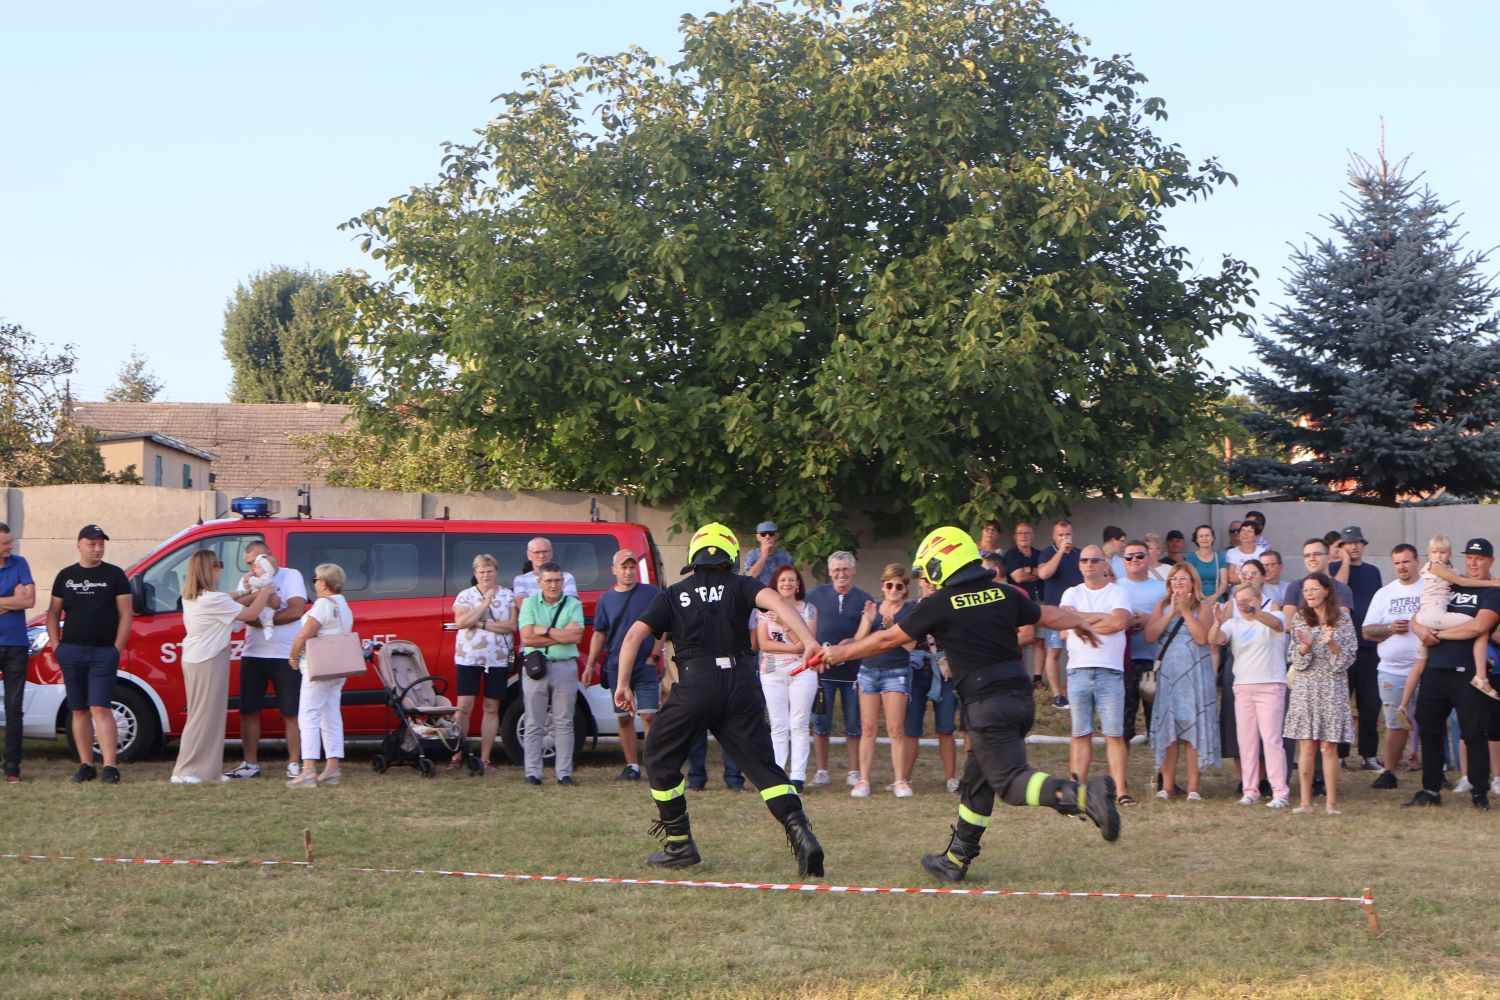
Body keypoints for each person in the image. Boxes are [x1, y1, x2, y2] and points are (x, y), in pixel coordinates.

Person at [816, 526, 1119, 885]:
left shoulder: (939, 604)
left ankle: (1085, 795)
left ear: (943, 565)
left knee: (1009, 783)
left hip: (986, 703)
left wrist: (838, 653)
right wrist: (1080, 621)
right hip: (1019, 700)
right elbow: (1048, 614)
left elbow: (887, 638)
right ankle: (956, 860)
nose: (927, 577)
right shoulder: (1003, 592)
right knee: (977, 781)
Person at [616, 523, 825, 875]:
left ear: (693, 557)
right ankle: (802, 834)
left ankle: (679, 843)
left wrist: (623, 682)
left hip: (696, 685)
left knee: (658, 756)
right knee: (764, 767)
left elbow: (634, 636)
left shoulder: (673, 593)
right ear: (729, 556)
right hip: (742, 685)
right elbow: (777, 602)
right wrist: (808, 641)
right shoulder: (743, 585)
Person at [1400, 538, 1499, 810]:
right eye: (1470, 557)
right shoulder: (1452, 581)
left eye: (1479, 558)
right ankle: (1430, 790)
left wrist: (1438, 635)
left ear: (1490, 561)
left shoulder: (1492, 591)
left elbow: (1478, 627)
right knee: (1429, 730)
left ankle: (1479, 793)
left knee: (1473, 733)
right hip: (1435, 670)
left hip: (1466, 672)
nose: (1473, 562)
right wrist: (1419, 629)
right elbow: (1421, 613)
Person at [171, 551, 275, 784]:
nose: (220, 569)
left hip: (201, 657)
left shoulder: (196, 595)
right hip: (207, 660)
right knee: (201, 716)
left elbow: (229, 599)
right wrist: (265, 592)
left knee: (212, 717)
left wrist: (245, 592)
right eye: (218, 565)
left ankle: (208, 770)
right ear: (209, 570)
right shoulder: (212, 599)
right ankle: (185, 771)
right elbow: (249, 613)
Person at [46, 524, 132, 784]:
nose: (97, 549)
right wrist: (55, 645)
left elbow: (126, 614)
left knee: (100, 707)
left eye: (101, 544)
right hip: (71, 651)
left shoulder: (115, 575)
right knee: (79, 708)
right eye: (92, 544)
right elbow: (53, 613)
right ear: (79, 545)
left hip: (103, 652)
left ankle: (109, 766)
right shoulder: (66, 576)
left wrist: (117, 648)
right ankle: (86, 764)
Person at [224, 540, 308, 779]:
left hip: (285, 654)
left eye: (257, 561)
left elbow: (296, 610)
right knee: (248, 710)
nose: (253, 567)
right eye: (249, 563)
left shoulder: (291, 575)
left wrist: (264, 620)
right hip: (253, 653)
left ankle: (294, 763)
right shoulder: (247, 580)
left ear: (270, 556)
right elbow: (238, 611)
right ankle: (250, 764)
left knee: (290, 711)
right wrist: (256, 611)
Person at [1060, 545, 1134, 804]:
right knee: (1080, 733)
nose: (1089, 564)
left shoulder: (1118, 592)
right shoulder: (1071, 592)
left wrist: (1080, 620)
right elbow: (1062, 625)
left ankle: (1121, 791)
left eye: (1094, 560)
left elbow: (1119, 623)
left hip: (1110, 671)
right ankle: (1075, 791)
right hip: (1078, 670)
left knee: (1114, 734)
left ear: (1106, 565)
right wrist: (1098, 618)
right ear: (1079, 565)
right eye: (1084, 560)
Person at [1208, 582, 1290, 808]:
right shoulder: (1233, 624)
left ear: (1258, 599)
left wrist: (1254, 611)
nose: (1243, 604)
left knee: (1271, 740)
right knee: (1247, 741)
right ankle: (1250, 789)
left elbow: (1277, 625)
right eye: (1239, 600)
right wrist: (1217, 622)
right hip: (1243, 687)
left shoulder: (1275, 615)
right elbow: (1215, 639)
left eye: (1248, 599)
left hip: (1270, 685)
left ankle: (1279, 791)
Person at [585, 549, 663, 781]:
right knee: (624, 717)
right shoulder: (606, 599)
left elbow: (664, 626)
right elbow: (599, 634)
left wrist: (654, 656)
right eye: (624, 567)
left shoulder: (651, 593)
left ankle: (653, 764)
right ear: (614, 570)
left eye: (631, 567)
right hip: (617, 666)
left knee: (649, 716)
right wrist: (590, 665)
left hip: (645, 665)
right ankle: (632, 765)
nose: (628, 572)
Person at [1143, 563, 1219, 801]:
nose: (1178, 583)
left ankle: (1194, 788)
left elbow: (1202, 638)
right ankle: (1167, 786)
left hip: (1194, 674)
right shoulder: (1161, 605)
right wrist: (1170, 613)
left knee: (1193, 729)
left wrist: (1186, 611)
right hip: (1168, 675)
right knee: (1169, 730)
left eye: (1183, 579)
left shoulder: (1203, 606)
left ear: (1193, 583)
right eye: (1174, 580)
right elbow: (1150, 636)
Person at [1282, 572, 1356, 815]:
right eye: (1306, 590)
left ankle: (1331, 803)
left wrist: (1331, 642)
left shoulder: (1343, 620)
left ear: (1326, 590)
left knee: (1328, 746)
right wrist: (1307, 644)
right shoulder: (1301, 619)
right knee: (1307, 746)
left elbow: (1346, 659)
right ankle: (1304, 802)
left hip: (1332, 687)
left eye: (1314, 589)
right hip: (1305, 687)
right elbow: (1295, 658)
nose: (1309, 594)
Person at [805, 551, 873, 788]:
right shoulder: (814, 595)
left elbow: (870, 636)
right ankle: (822, 770)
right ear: (830, 571)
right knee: (821, 723)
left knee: (853, 725)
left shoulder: (865, 599)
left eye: (845, 569)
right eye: (836, 569)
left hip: (853, 673)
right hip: (822, 672)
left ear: (853, 571)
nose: (841, 574)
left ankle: (854, 771)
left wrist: (853, 642)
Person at [850, 563, 916, 798]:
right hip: (868, 672)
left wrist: (891, 626)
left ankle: (899, 781)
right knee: (867, 728)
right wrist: (868, 621)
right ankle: (864, 781)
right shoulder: (872, 608)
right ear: (883, 587)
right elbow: (858, 642)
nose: (894, 589)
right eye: (890, 585)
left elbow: (910, 645)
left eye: (899, 586)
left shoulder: (909, 611)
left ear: (905, 589)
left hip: (896, 673)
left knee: (896, 729)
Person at [285, 563, 355, 788]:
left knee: (308, 715)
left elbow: (304, 635)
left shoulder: (323, 605)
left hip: (318, 667)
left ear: (323, 583)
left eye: (315, 579)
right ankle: (332, 766)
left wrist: (293, 656)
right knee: (331, 714)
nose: (313, 582)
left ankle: (308, 769)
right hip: (338, 666)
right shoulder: (343, 604)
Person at [1361, 543, 1424, 790]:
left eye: (1406, 561)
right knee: (1394, 721)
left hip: (1427, 667)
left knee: (1431, 721)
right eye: (1397, 562)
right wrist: (1389, 629)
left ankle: (1434, 771)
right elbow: (1367, 631)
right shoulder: (1384, 594)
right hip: (1392, 670)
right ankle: (1388, 772)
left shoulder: (1429, 589)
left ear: (1417, 561)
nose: (1402, 567)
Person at [518, 562, 585, 785]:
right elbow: (526, 637)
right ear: (540, 582)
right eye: (548, 580)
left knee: (564, 722)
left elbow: (575, 637)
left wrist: (543, 630)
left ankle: (564, 773)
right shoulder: (528, 603)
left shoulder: (573, 604)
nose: (553, 585)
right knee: (533, 722)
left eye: (557, 580)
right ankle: (533, 773)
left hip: (565, 666)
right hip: (536, 667)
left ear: (563, 582)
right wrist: (560, 633)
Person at [450, 554, 518, 774]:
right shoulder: (465, 595)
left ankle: (485, 757)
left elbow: (511, 626)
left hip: (497, 659)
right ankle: (457, 752)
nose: (486, 575)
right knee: (464, 706)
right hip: (468, 658)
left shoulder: (508, 595)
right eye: (482, 572)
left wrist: (480, 623)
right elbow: (461, 622)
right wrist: (485, 604)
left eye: (489, 571)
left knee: (491, 707)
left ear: (496, 571)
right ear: (475, 574)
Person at [755, 565, 818, 792]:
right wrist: (795, 647)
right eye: (783, 580)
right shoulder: (763, 611)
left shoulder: (808, 610)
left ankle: (798, 776)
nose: (787, 584)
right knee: (778, 725)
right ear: (775, 584)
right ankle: (779, 773)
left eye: (792, 580)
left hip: (803, 672)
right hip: (772, 672)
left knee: (799, 724)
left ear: (798, 584)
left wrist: (784, 625)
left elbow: (808, 643)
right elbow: (764, 644)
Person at [902, 566, 961, 794]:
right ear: (919, 581)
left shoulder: (949, 606)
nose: (930, 584)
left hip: (944, 670)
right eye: (926, 580)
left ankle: (950, 778)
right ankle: (904, 778)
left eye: (934, 580)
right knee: (911, 729)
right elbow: (904, 639)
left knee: (946, 728)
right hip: (917, 670)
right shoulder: (911, 608)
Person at [1337, 526, 1384, 769]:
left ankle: (1369, 755)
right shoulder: (1335, 570)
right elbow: (1339, 591)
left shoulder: (1373, 572)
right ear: (1341, 547)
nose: (1353, 547)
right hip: (1344, 647)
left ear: (1364, 545)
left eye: (1357, 543)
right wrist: (1344, 561)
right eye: (1348, 543)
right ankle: (1341, 754)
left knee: (1370, 703)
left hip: (1370, 645)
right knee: (1342, 701)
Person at [1116, 539, 1166, 751]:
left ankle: (1163, 780)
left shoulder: (1162, 588)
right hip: (1123, 662)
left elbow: (1172, 619)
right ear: (1123, 561)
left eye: (1139, 555)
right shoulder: (1115, 587)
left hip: (1154, 661)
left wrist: (1148, 619)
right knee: (1123, 725)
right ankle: (1120, 781)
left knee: (1157, 722)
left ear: (1149, 558)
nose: (1134, 560)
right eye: (1129, 557)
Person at [0, 522, 36, 783]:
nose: (10, 546)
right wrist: (11, 600)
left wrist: (12, 602)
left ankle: (12, 767)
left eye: (10, 541)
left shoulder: (20, 563)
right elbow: (19, 599)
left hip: (16, 645)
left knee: (14, 708)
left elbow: (29, 600)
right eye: (5, 543)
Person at [1036, 518, 1083, 709]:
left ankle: (1075, 692)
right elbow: (1044, 574)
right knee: (1054, 651)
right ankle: (1057, 695)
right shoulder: (1047, 553)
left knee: (1078, 651)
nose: (1065, 538)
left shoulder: (1080, 554)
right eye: (1061, 535)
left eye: (1068, 534)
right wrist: (1060, 553)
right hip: (1055, 611)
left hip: (1077, 612)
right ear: (1054, 536)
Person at [1002, 522, 1045, 686]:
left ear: (1033, 536)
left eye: (1027, 533)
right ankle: (1019, 675)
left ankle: (1037, 679)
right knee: (1024, 638)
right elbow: (1018, 577)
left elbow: (1044, 574)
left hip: (1040, 599)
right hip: (1019, 601)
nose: (1024, 536)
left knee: (1039, 640)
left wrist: (1030, 571)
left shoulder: (1040, 554)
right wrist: (1036, 573)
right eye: (1020, 533)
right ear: (1014, 537)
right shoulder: (1011, 555)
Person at [512, 537, 579, 603]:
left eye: (545, 551)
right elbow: (523, 605)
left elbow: (570, 603)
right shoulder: (520, 580)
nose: (541, 556)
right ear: (528, 555)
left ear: (551, 553)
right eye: (537, 552)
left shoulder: (566, 577)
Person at [1183, 525, 1231, 602]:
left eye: (1207, 535)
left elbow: (1224, 583)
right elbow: (1188, 581)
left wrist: (1213, 597)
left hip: (1216, 600)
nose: (1204, 538)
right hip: (1196, 600)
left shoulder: (1220, 557)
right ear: (1197, 539)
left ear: (1212, 538)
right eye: (1201, 536)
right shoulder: (1191, 558)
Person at [742, 521, 794, 586]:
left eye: (771, 534)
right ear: (758, 537)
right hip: (758, 594)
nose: (767, 537)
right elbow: (749, 578)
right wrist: (764, 555)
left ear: (776, 536)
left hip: (778, 594)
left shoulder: (785, 556)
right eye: (763, 534)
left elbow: (791, 580)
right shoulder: (752, 555)